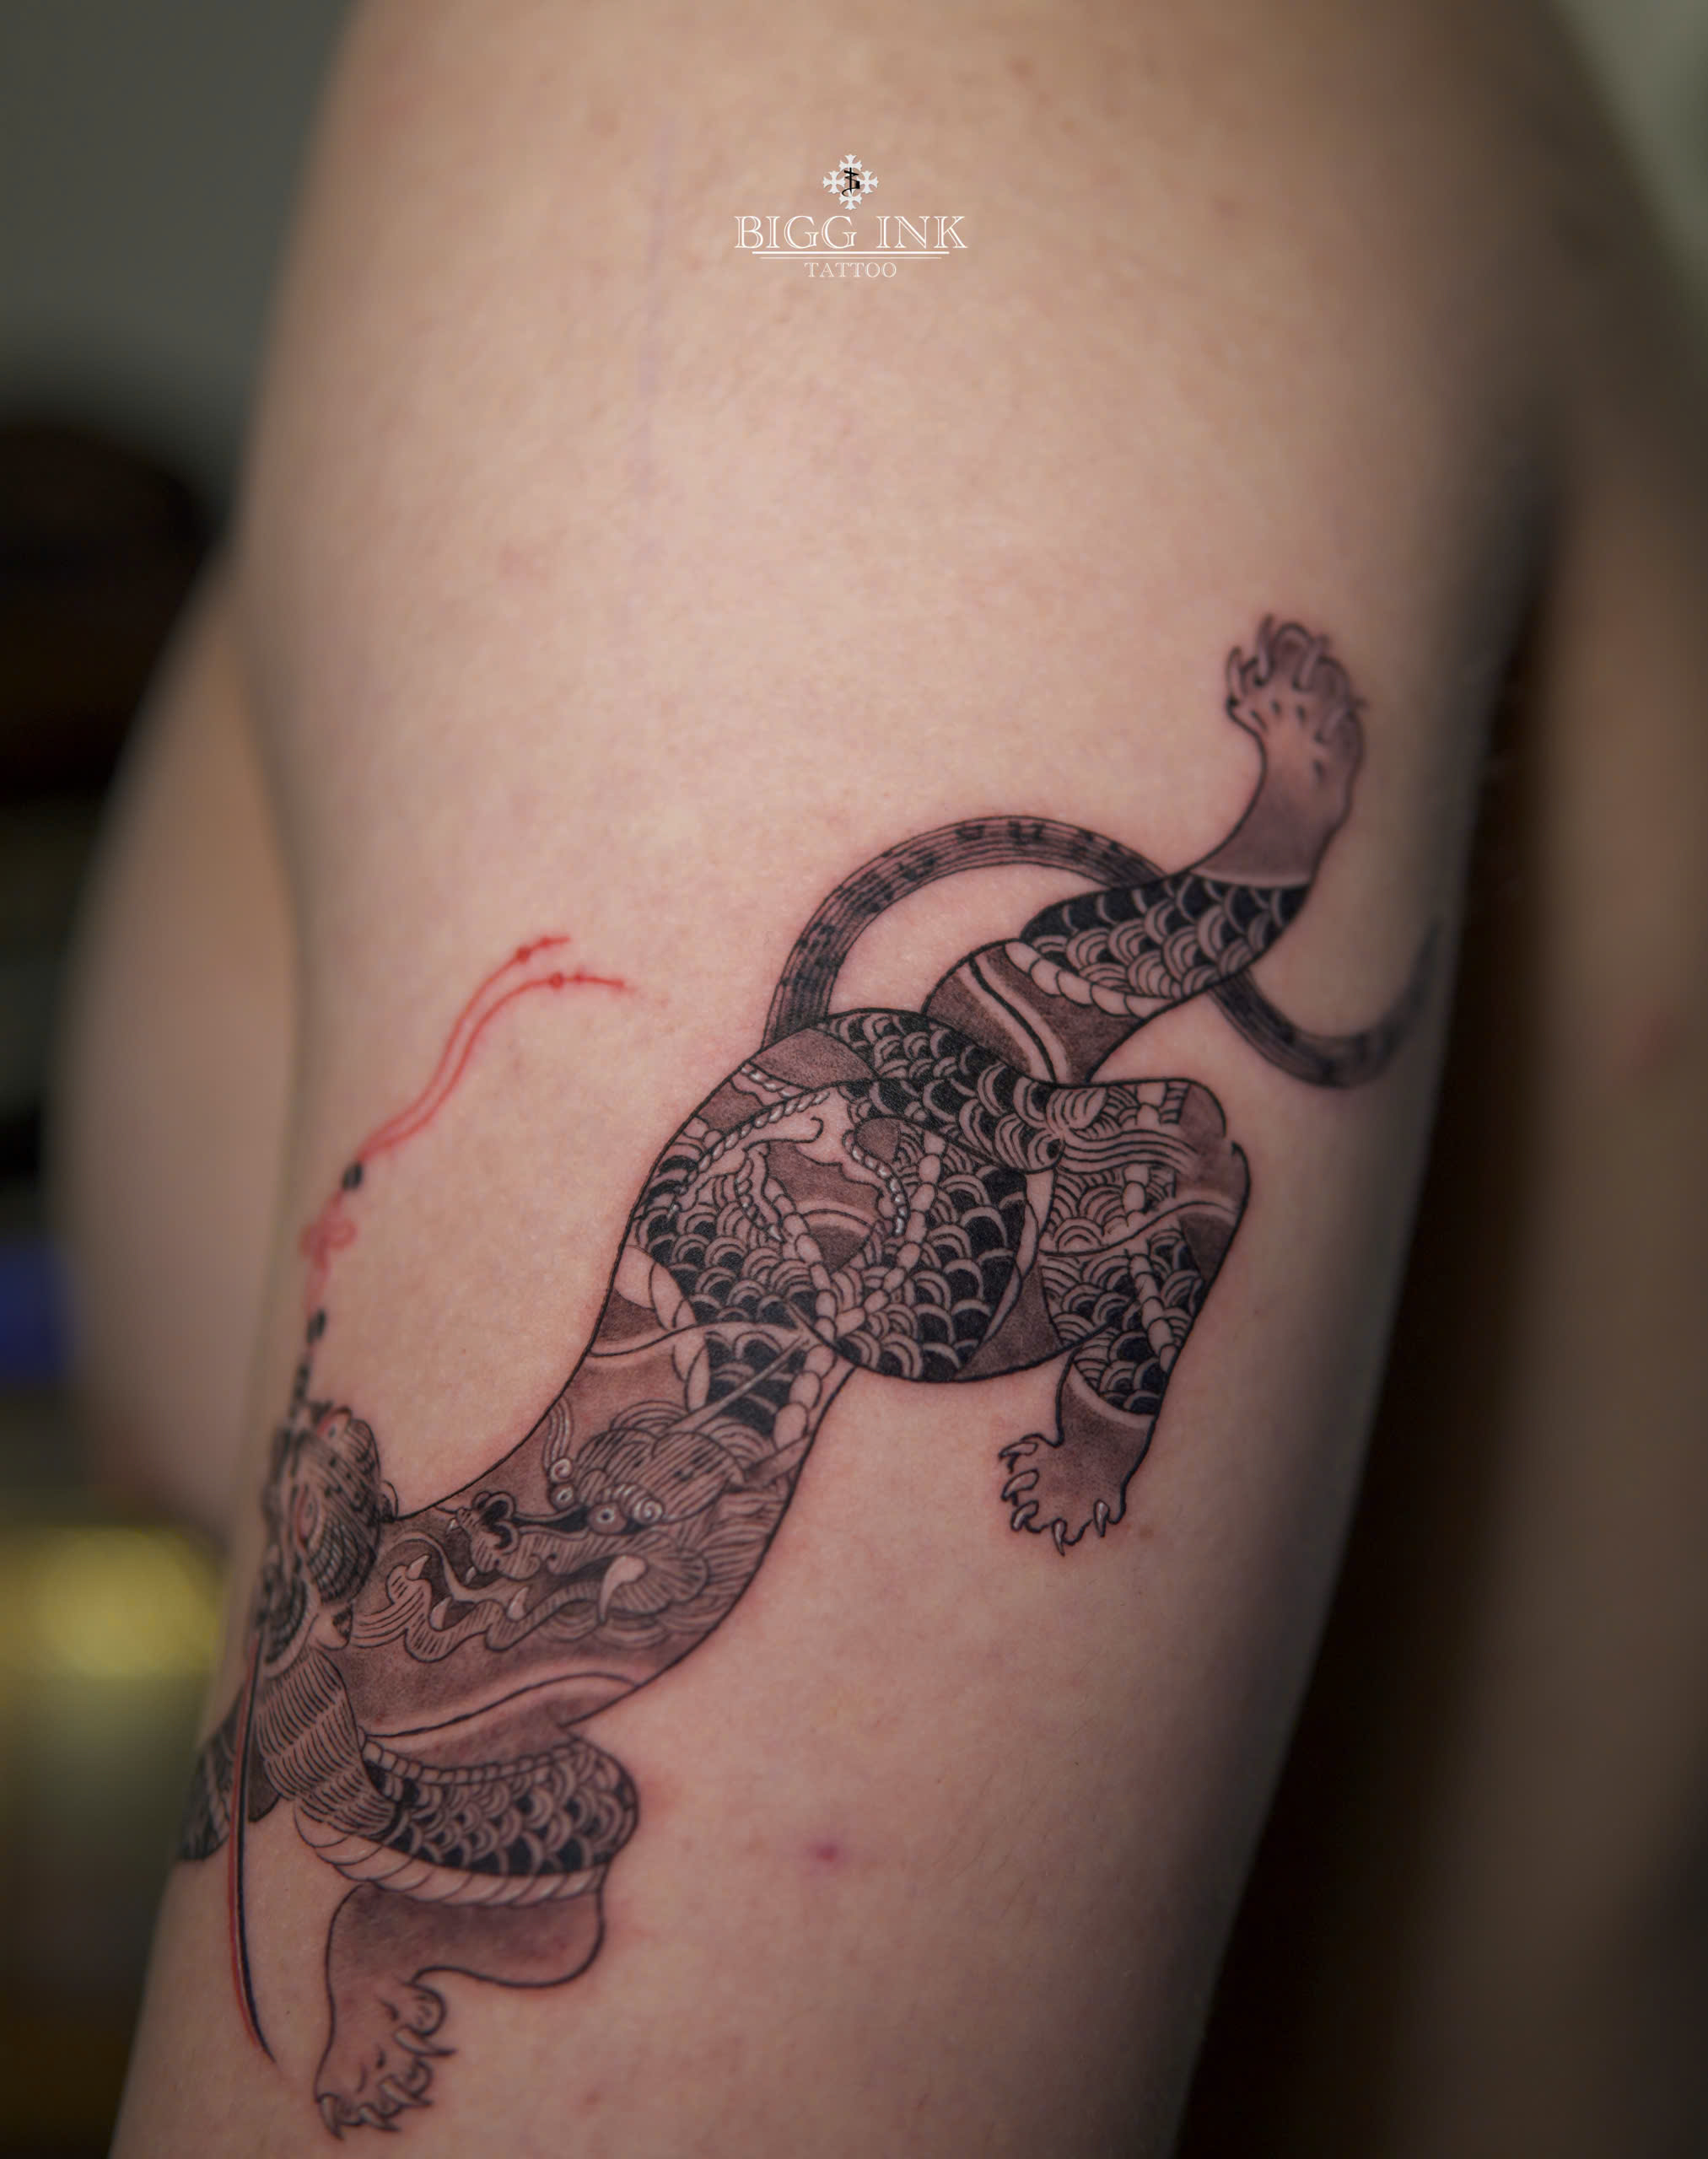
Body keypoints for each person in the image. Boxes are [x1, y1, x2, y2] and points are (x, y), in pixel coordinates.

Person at [56, 1, 1706, 2150]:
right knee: (1011, 1042)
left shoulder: (836, 118)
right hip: (800, 1273)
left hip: (791, 1272)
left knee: (1022, 1079)